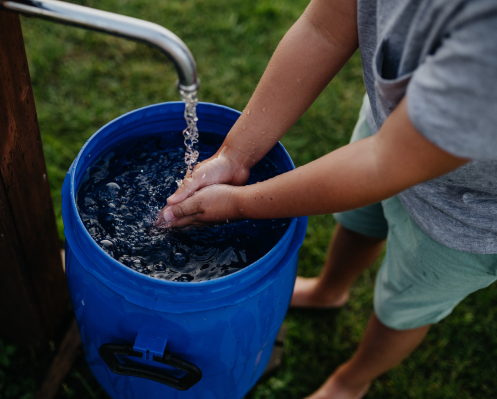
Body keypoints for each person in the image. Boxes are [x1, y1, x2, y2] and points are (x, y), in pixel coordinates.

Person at [159, 0, 497, 397]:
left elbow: (385, 163)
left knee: (405, 305)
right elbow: (324, 28)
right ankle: (329, 291)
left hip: (470, 213)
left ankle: (353, 379)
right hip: (385, 133)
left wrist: (238, 203)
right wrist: (234, 156)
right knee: (358, 224)